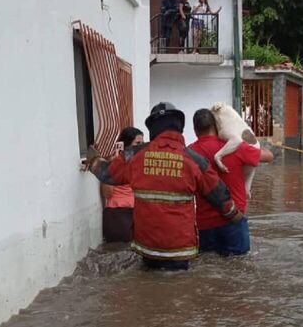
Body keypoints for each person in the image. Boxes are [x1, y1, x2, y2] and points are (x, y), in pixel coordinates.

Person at [87, 102, 243, 271]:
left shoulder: (135, 155)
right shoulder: (194, 160)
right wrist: (235, 215)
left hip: (147, 247)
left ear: (153, 128)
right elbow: (218, 194)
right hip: (180, 249)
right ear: (178, 127)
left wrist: (94, 160)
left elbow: (107, 174)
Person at [189, 109, 274, 255]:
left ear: (195, 130)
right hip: (234, 219)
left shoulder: (189, 153)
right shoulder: (235, 147)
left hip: (204, 224)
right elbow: (269, 156)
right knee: (239, 267)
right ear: (216, 127)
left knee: (209, 268)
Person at [100, 127, 143, 243]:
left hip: (136, 212)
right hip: (118, 213)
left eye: (142, 144)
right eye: (138, 143)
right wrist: (111, 167)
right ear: (126, 145)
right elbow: (107, 194)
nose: (141, 147)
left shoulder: (140, 163)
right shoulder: (115, 162)